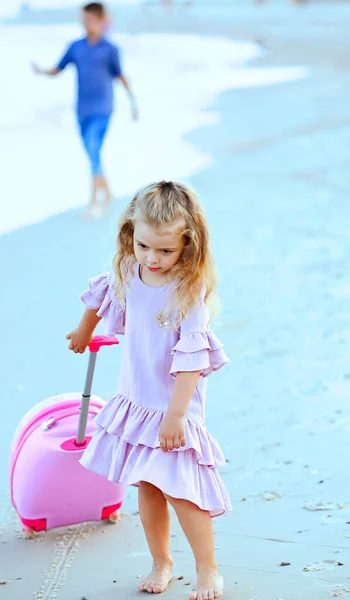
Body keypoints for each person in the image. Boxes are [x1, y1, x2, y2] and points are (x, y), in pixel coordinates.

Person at [66, 181, 231, 599]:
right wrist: (84, 331)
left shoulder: (187, 291)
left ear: (187, 246)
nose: (152, 259)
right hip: (137, 400)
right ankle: (161, 561)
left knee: (183, 493)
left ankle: (208, 569)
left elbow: (192, 360)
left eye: (164, 250)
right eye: (143, 246)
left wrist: (177, 416)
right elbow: (101, 294)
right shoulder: (127, 269)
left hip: (173, 405)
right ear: (130, 235)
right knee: (149, 489)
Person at [32, 2, 138, 217]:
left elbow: (120, 75)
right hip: (81, 110)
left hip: (103, 108)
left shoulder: (110, 49)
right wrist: (42, 71)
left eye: (90, 20)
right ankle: (107, 193)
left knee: (93, 148)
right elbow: (58, 68)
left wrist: (133, 102)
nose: (86, 24)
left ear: (101, 21)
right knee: (92, 154)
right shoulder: (76, 47)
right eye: (84, 20)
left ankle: (94, 202)